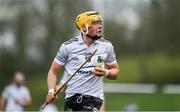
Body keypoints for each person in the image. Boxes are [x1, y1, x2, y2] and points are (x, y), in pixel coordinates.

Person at [46, 10, 119, 111]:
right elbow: (53, 71)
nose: (100, 26)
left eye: (100, 23)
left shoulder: (107, 46)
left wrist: (106, 72)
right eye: (94, 23)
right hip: (71, 99)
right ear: (84, 28)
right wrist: (51, 91)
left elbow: (115, 72)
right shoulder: (67, 47)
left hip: (94, 99)